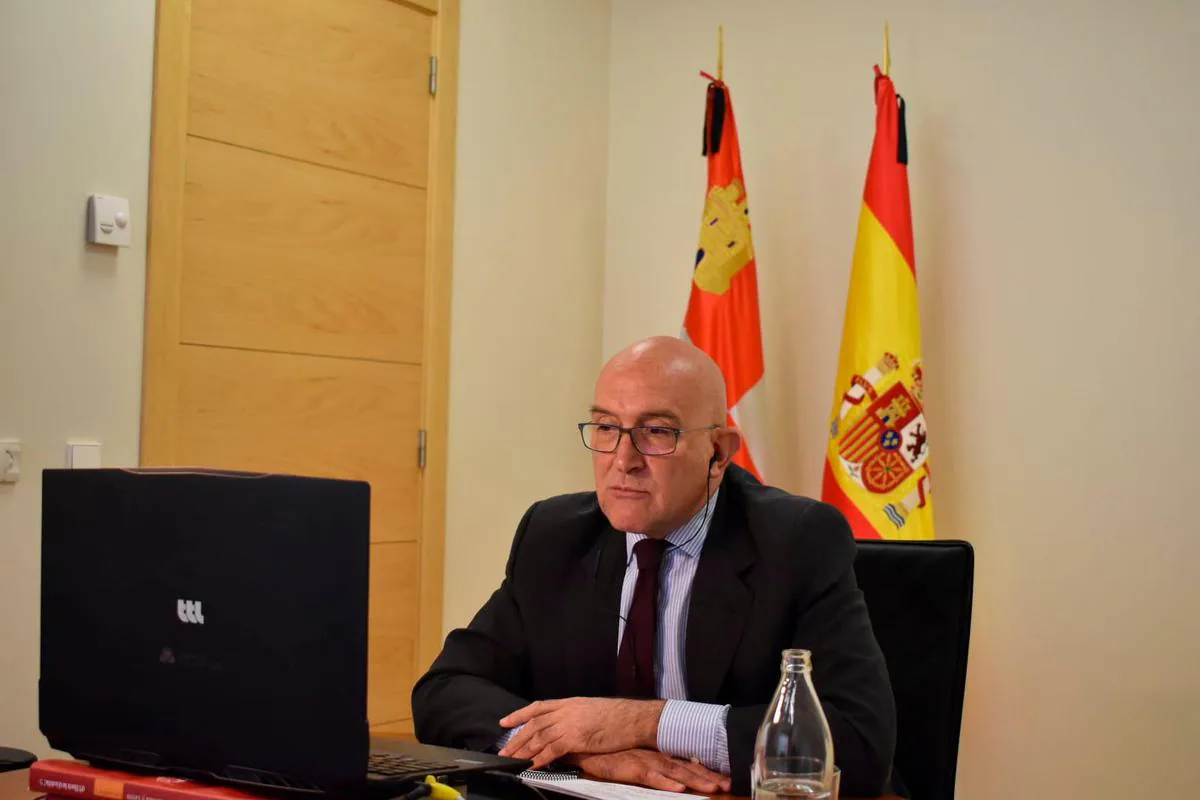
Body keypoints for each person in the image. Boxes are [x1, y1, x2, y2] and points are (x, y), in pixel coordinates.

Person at [412, 336, 896, 796]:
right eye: (605, 428)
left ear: (718, 452)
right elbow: (444, 692)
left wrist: (644, 723)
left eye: (657, 432)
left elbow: (857, 742)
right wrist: (580, 750)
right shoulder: (553, 535)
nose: (624, 460)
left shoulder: (796, 541)